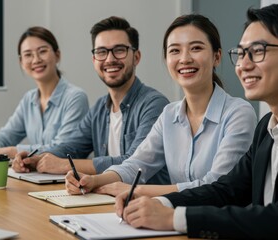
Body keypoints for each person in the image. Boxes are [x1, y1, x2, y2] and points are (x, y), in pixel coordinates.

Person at [115, 4, 278, 239]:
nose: (243, 65)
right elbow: (227, 190)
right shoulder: (267, 127)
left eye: (257, 51)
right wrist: (162, 202)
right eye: (242, 53)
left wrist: (173, 218)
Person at [65, 14, 257, 197]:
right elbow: (136, 164)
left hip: (217, 226)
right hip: (170, 220)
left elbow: (215, 186)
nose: (184, 58)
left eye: (196, 48)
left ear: (217, 56)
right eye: (174, 50)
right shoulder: (169, 114)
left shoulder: (238, 113)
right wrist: (93, 180)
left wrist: (137, 191)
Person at [12, 16, 170, 182]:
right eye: (101, 52)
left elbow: (133, 163)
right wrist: (36, 159)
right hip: (105, 200)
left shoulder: (154, 104)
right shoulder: (100, 108)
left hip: (146, 203)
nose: (109, 59)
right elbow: (71, 147)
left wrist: (66, 165)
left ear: (136, 57)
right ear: (94, 60)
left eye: (119, 50)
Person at [0, 26, 89, 159]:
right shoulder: (29, 99)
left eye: (42, 51)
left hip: (66, 177)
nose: (36, 60)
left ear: (57, 55)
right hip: (37, 176)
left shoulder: (75, 97)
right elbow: (8, 134)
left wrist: (12, 152)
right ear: (21, 62)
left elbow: (63, 148)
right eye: (28, 55)